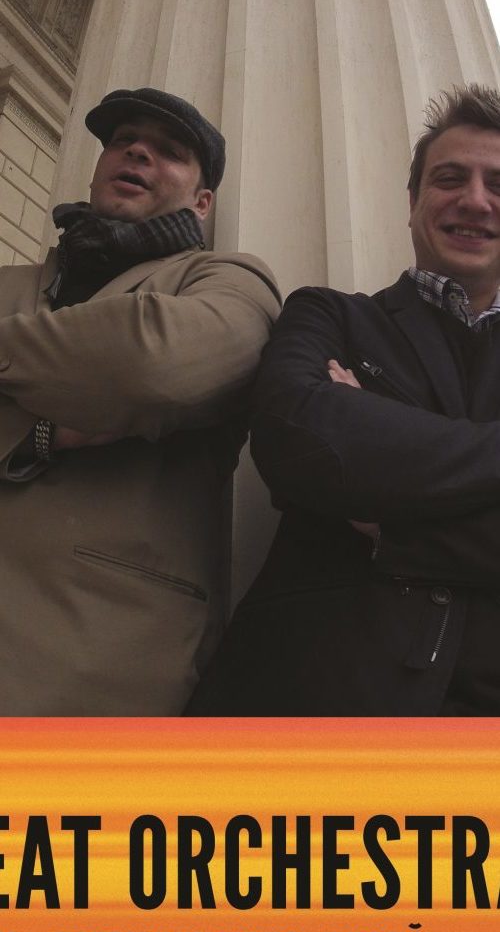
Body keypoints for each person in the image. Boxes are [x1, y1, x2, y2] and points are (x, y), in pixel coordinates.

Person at [188, 84, 500, 715]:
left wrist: (391, 524)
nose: (475, 199)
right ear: (411, 202)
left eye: (498, 183)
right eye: (449, 178)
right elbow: (295, 441)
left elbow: (350, 448)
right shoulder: (327, 314)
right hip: (308, 703)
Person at [0, 86, 280, 712]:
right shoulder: (10, 284)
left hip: (93, 664)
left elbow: (157, 364)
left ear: (203, 203)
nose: (137, 153)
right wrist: (40, 430)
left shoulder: (228, 280)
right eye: (124, 141)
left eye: (170, 151)